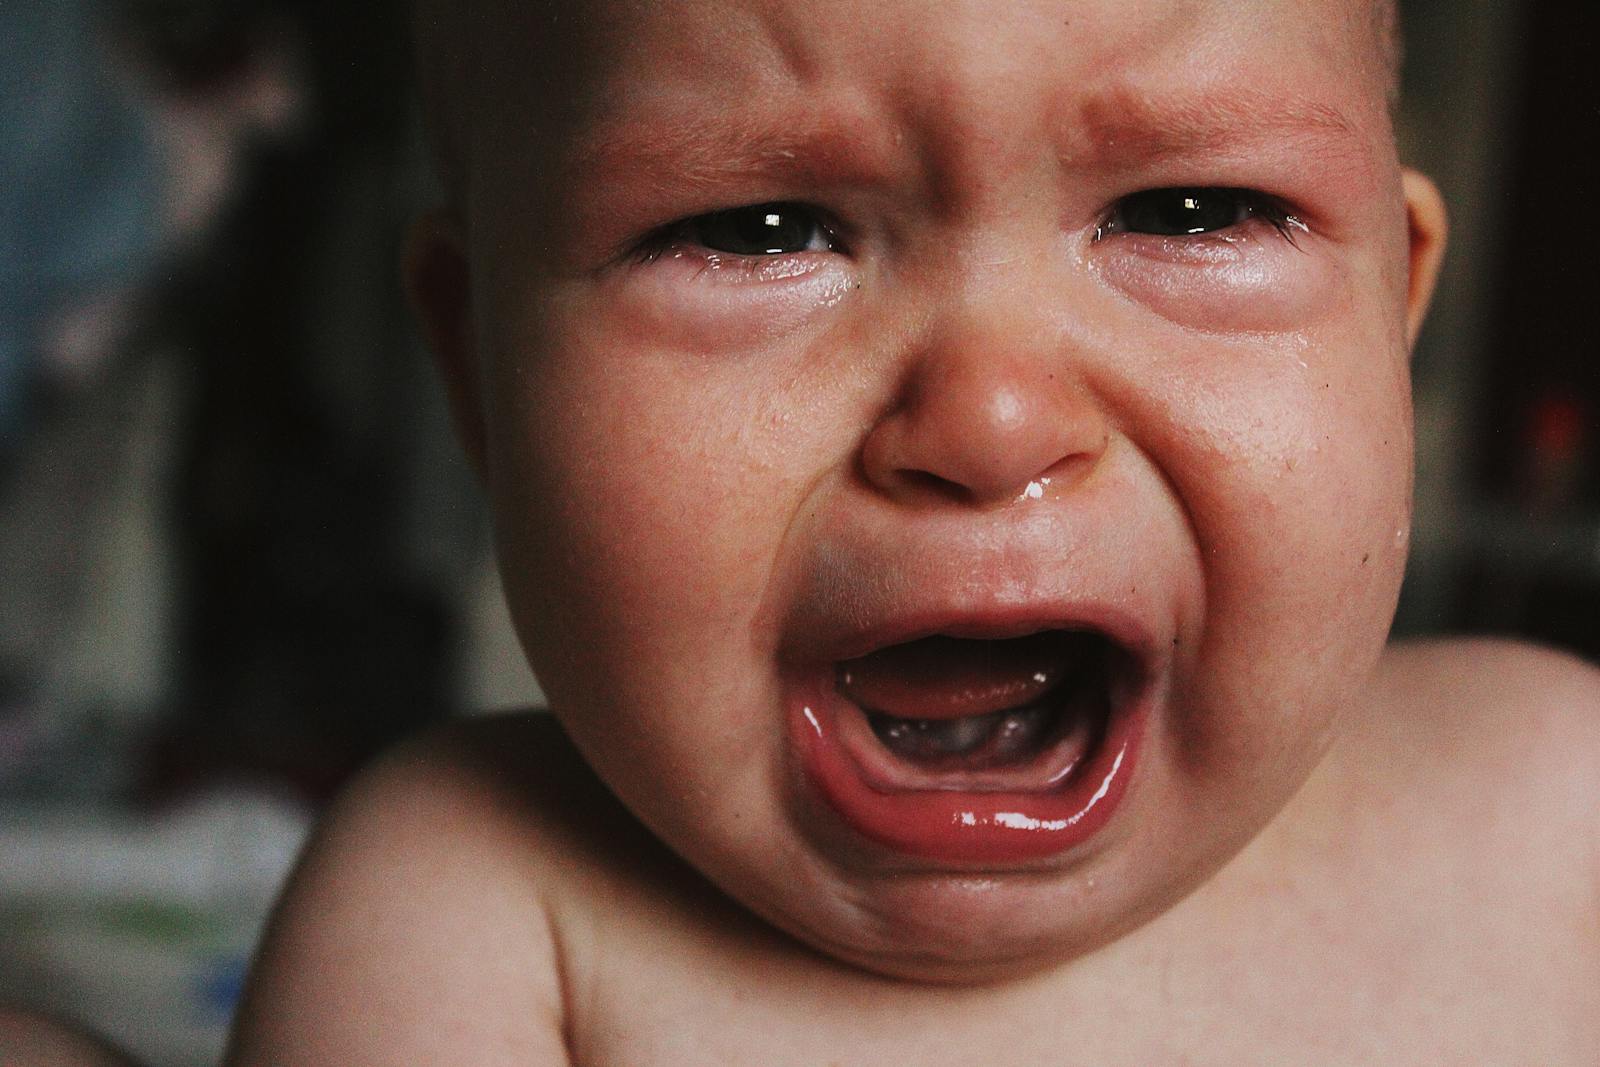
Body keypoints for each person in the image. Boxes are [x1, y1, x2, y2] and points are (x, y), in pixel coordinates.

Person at [224, 0, 1600, 1062]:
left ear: (1391, 323)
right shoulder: (472, 925)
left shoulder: (1556, 820)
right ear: (484, 374)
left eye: (1191, 209)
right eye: (759, 230)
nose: (992, 418)